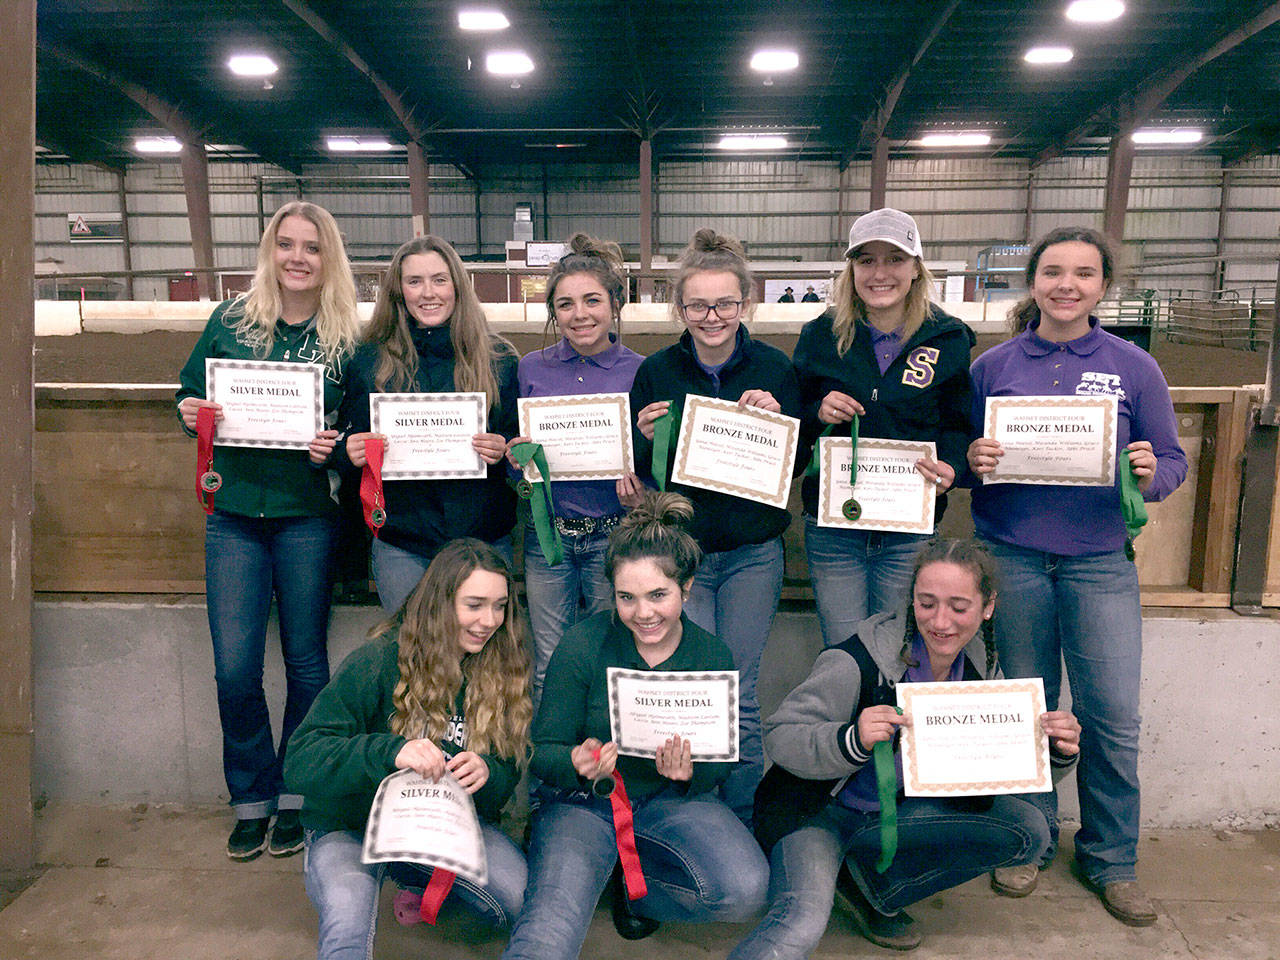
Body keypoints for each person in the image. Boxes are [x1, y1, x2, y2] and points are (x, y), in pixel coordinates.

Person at [967, 226, 1187, 925]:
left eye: (1084, 274)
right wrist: (973, 459)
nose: (1067, 285)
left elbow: (1173, 461)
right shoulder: (992, 366)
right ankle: (1028, 840)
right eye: (1053, 271)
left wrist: (1149, 476)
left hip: (1098, 563)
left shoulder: (1133, 366)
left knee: (1111, 716)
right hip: (1011, 556)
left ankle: (1111, 858)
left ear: (1103, 286)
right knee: (1026, 707)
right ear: (1033, 281)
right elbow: (966, 452)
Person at [731, 539, 1081, 957]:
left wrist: (1054, 751)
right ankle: (833, 875)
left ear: (988, 607)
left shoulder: (981, 663)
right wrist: (850, 739)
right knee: (802, 923)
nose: (940, 621)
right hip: (817, 814)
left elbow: (1002, 771)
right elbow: (781, 734)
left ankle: (871, 889)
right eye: (926, 603)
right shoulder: (856, 660)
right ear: (911, 599)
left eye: (959, 607)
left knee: (1029, 831)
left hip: (893, 814)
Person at [502, 492, 769, 960]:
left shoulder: (711, 655)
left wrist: (691, 772)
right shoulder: (583, 643)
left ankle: (636, 887)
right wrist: (575, 761)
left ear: (687, 588)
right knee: (549, 928)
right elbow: (541, 750)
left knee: (745, 888)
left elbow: (721, 763)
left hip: (668, 800)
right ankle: (590, 874)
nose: (643, 613)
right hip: (585, 803)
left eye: (658, 595)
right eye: (627, 598)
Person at [176, 201, 361, 861]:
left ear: (328, 257)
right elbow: (186, 394)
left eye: (312, 246)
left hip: (306, 518)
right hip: (232, 519)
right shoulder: (228, 321)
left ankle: (296, 792)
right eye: (286, 244)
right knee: (235, 670)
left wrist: (333, 447)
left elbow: (357, 431)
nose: (298, 258)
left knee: (307, 664)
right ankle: (250, 796)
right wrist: (189, 412)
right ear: (269, 250)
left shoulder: (347, 340)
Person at [284, 538, 532, 960]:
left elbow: (508, 768)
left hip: (439, 827)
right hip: (349, 824)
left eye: (500, 606)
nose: (489, 620)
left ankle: (418, 879)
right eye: (474, 605)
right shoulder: (379, 660)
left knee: (519, 898)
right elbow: (300, 759)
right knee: (347, 921)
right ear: (439, 603)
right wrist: (390, 752)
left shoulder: (500, 664)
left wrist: (489, 771)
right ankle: (384, 876)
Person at [630, 228, 802, 824]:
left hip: (754, 552)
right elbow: (639, 469)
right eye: (698, 305)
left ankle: (743, 817)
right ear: (679, 308)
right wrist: (644, 439)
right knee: (693, 687)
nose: (712, 317)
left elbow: (798, 463)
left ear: (745, 303)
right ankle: (688, 814)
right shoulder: (656, 371)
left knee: (739, 692)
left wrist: (779, 423)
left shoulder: (775, 368)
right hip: (684, 558)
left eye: (725, 304)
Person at [793, 208, 975, 646]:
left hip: (908, 530)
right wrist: (818, 412)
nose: (880, 273)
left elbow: (959, 423)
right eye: (866, 260)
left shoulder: (948, 338)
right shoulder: (820, 335)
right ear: (851, 269)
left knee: (897, 650)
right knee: (844, 653)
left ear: (916, 268)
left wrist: (952, 467)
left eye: (895, 259)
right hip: (834, 530)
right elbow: (791, 425)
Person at [338, 235, 519, 612]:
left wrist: (503, 448)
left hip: (482, 540)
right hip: (403, 544)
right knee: (410, 645)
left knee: (482, 645)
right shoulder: (369, 361)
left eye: (439, 280)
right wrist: (349, 451)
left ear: (457, 286)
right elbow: (345, 444)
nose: (428, 293)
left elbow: (519, 445)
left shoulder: (499, 359)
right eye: (414, 281)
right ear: (398, 291)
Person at [508, 234, 645, 706]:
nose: (579, 314)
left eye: (592, 300)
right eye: (565, 304)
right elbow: (518, 466)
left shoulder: (641, 370)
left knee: (612, 657)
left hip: (616, 536)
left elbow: (652, 459)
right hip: (548, 540)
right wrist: (516, 461)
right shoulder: (531, 368)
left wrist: (641, 493)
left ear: (615, 304)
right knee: (549, 662)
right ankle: (552, 755)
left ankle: (608, 752)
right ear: (552, 311)